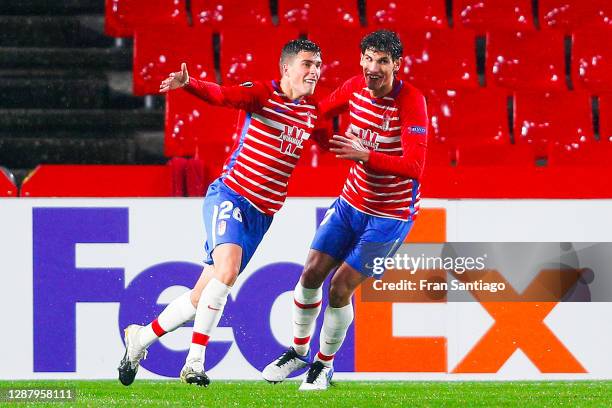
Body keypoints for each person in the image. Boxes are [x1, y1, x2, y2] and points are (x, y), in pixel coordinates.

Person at [118, 38, 323, 387]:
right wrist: (190, 84)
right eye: (307, 64)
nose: (315, 71)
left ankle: (140, 339)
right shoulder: (262, 94)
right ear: (286, 68)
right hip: (231, 195)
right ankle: (194, 362)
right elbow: (223, 95)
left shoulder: (311, 110)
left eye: (318, 65)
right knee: (226, 273)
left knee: (202, 295)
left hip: (262, 215)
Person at [262, 30, 428, 391]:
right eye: (368, 58)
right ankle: (298, 350)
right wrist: (314, 135)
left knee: (339, 288)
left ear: (397, 65)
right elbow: (317, 113)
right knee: (309, 276)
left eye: (382, 60)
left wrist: (366, 155)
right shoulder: (354, 87)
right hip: (350, 203)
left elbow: (415, 166)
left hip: (390, 217)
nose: (373, 67)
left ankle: (323, 366)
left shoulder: (412, 101)